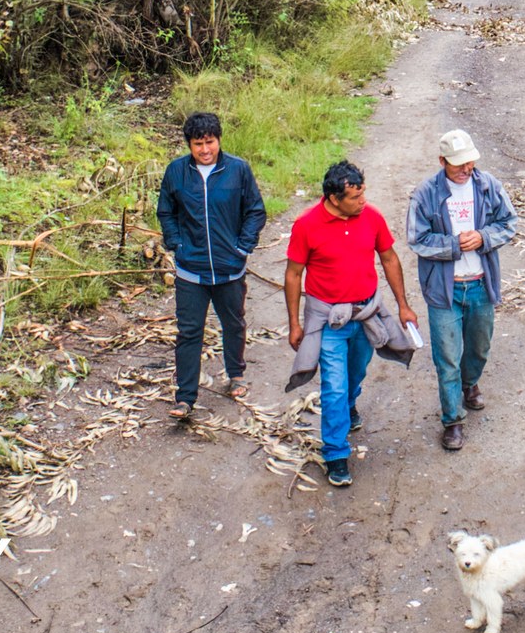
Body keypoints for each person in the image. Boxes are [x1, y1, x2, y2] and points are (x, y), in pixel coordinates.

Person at [284, 160, 420, 487]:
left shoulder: (371, 217)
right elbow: (293, 274)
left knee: (356, 372)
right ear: (333, 198)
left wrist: (403, 306)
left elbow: (389, 258)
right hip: (329, 320)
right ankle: (335, 453)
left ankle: (350, 405)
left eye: (363, 194)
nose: (362, 202)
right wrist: (294, 324)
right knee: (333, 384)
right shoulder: (307, 225)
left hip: (367, 314)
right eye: (354, 197)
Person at [406, 129, 520, 452]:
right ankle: (452, 420)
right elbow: (417, 239)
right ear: (442, 161)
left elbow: (509, 222)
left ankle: (470, 384)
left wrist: (484, 237)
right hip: (444, 290)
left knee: (479, 347)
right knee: (446, 358)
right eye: (458, 164)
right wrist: (454, 245)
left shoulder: (487, 185)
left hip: (481, 283)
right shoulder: (425, 194)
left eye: (469, 161)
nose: (466, 168)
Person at [155, 112, 267, 420]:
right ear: (188, 145)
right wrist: (176, 242)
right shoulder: (176, 172)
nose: (205, 150)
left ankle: (236, 374)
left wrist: (243, 245)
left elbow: (255, 211)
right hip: (191, 270)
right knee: (189, 332)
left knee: (233, 323)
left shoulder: (238, 170)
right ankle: (185, 397)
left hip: (230, 267)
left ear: (219, 140)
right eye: (198, 144)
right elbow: (166, 211)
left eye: (210, 142)